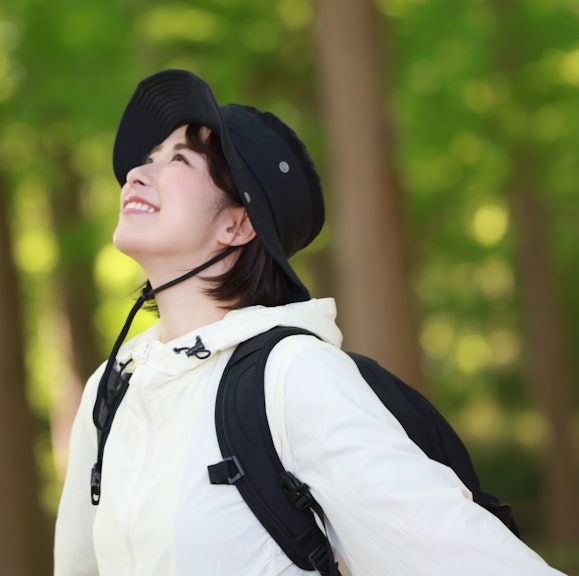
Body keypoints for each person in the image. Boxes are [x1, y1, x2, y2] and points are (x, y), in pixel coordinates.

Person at [54, 69, 565, 576]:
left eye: (180, 159)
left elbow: (455, 553)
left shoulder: (294, 376)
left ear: (238, 224)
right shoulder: (114, 386)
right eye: (147, 160)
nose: (137, 175)